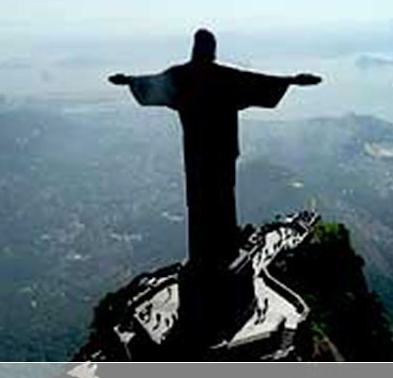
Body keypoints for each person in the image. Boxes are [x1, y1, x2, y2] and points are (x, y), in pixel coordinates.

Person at [109, 28, 321, 345]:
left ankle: (206, 262)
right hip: (221, 157)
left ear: (194, 47)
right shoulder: (224, 77)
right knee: (222, 205)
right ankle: (221, 260)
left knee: (199, 208)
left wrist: (128, 81)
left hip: (196, 158)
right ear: (212, 49)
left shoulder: (181, 77)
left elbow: (151, 85)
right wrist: (292, 80)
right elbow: (259, 84)